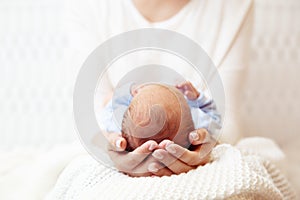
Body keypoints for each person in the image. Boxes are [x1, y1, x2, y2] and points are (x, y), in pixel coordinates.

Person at [69, 0, 254, 177]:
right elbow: (90, 119)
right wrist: (107, 144)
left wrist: (208, 145)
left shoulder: (233, 6)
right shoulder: (91, 5)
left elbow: (226, 120)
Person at [100, 82, 221, 153]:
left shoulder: (118, 127)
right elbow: (215, 118)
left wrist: (127, 94)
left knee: (109, 98)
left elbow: (108, 109)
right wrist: (197, 98)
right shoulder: (197, 125)